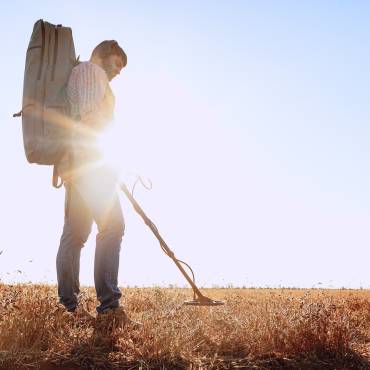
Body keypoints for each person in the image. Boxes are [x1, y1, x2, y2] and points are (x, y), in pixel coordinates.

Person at [56, 40, 140, 327]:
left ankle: (68, 308)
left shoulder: (79, 73)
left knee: (76, 234)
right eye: (117, 63)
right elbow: (91, 117)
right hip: (90, 163)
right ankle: (109, 308)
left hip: (74, 166)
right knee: (113, 226)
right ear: (103, 57)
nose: (119, 71)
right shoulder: (92, 72)